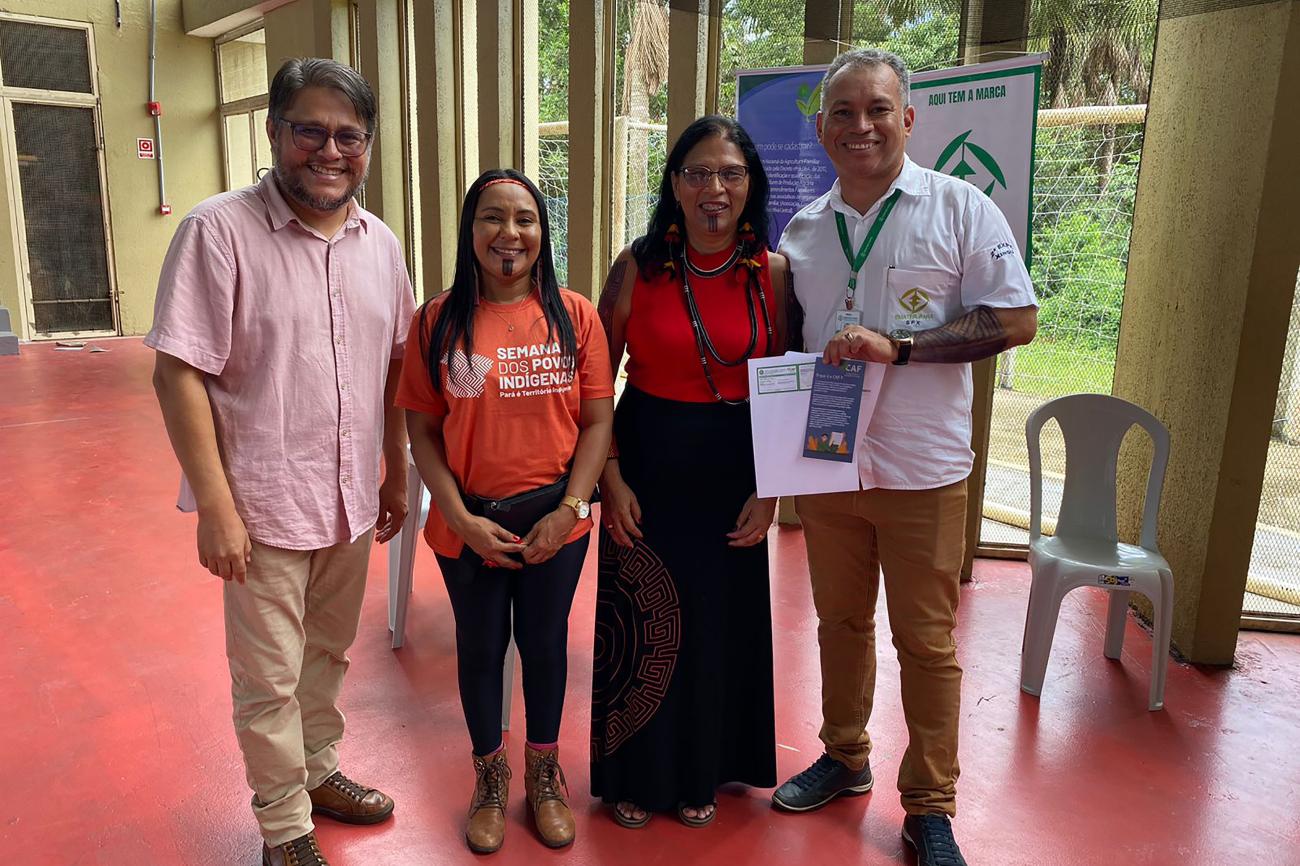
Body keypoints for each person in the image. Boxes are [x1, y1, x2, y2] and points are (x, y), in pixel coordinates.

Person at [773, 48, 1038, 866]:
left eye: (877, 109)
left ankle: (929, 806)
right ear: (822, 128)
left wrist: (903, 348)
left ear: (908, 119)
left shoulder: (961, 210)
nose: (861, 125)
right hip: (827, 460)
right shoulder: (803, 231)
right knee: (839, 624)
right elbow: (792, 344)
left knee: (926, 643)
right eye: (843, 112)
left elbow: (1017, 320)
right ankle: (845, 754)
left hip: (923, 467)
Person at [148, 58, 414, 866]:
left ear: (367, 146)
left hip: (348, 500)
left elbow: (395, 366)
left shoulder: (381, 245)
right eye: (310, 131)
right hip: (261, 505)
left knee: (328, 655)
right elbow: (178, 372)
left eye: (348, 136)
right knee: (267, 678)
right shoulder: (217, 232)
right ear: (273, 132)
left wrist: (393, 467)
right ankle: (284, 828)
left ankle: (318, 770)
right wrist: (215, 507)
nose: (329, 151)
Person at [396, 169, 614, 854]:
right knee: (481, 647)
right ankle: (490, 779)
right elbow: (422, 429)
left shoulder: (575, 315)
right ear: (470, 230)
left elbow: (597, 423)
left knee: (545, 645)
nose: (509, 233)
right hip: (470, 521)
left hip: (556, 519)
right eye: (492, 217)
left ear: (543, 231)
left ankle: (544, 777)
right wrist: (460, 520)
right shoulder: (437, 321)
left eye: (525, 218)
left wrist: (570, 509)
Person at [591, 115, 789, 828]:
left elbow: (788, 387)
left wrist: (771, 491)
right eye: (699, 173)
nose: (715, 188)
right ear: (674, 184)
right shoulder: (636, 266)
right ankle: (636, 772)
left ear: (750, 185)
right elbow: (594, 383)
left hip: (736, 468)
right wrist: (609, 479)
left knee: (716, 621)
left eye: (731, 174)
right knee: (644, 620)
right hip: (646, 461)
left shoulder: (774, 273)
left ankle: (704, 767)